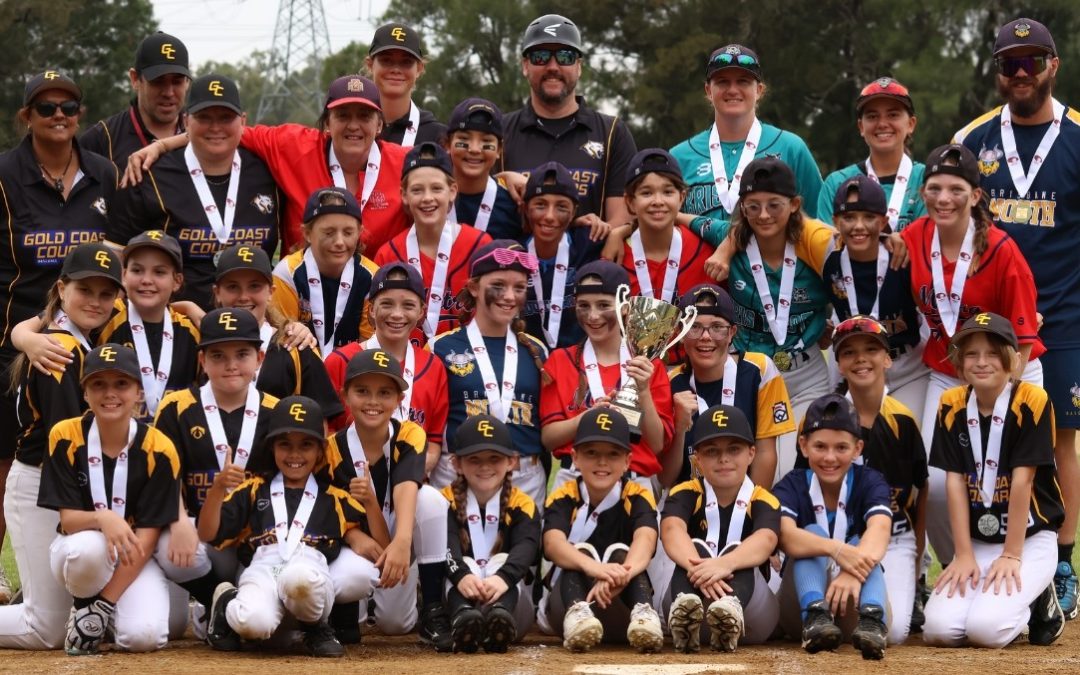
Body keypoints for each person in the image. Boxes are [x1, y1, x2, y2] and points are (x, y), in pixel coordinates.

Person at [953, 16, 1080, 619]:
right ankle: (979, 553)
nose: (1022, 73)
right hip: (984, 328)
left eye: (1033, 61)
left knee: (1059, 442)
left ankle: (1061, 558)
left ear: (1054, 65)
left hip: (1062, 318)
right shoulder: (973, 139)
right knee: (979, 441)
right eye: (1010, 64)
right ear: (998, 72)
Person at [0, 71, 118, 601]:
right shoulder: (5, 172)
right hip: (16, 340)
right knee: (10, 457)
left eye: (68, 106)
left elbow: (123, 250)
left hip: (86, 334)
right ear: (27, 116)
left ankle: (72, 581)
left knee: (81, 445)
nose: (58, 116)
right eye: (45, 108)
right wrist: (22, 336)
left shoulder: (102, 172)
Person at [898, 144, 1044, 565]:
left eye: (956, 189)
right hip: (946, 372)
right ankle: (959, 567)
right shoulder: (913, 238)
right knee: (938, 481)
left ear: (976, 196)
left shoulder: (1001, 250)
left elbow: (1024, 337)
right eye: (935, 188)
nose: (944, 198)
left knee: (1008, 477)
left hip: (1011, 372)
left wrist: (1001, 397)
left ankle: (1034, 571)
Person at [125, 74, 408, 255]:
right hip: (300, 302)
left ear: (380, 124)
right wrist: (162, 144)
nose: (354, 125)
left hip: (376, 301)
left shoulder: (404, 163)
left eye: (365, 116)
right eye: (343, 115)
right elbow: (221, 132)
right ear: (327, 123)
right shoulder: (292, 145)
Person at [0, 242, 122, 649]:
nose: (96, 301)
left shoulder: (75, 336)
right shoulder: (59, 349)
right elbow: (67, 444)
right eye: (85, 290)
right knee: (44, 628)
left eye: (106, 293)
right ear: (62, 289)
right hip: (41, 485)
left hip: (63, 482)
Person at [923, 312, 1065, 647]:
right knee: (938, 631)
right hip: (980, 540)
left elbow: (1022, 482)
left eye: (992, 353)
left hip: (1028, 537)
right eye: (971, 354)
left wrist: (1013, 554)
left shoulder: (1031, 399)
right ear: (959, 362)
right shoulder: (951, 403)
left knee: (986, 631)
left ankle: (1039, 594)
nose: (982, 362)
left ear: (1013, 360)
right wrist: (962, 554)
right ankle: (999, 591)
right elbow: (955, 482)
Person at [200, 396, 380, 657]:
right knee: (255, 626)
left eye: (306, 445)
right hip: (263, 568)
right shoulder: (253, 489)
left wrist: (361, 521)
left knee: (300, 580)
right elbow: (206, 534)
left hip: (309, 566)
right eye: (285, 445)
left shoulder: (334, 497)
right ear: (272, 447)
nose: (295, 455)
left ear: (320, 450)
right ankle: (227, 602)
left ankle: (316, 627)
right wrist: (217, 489)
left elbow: (377, 545)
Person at [39, 344, 180, 655]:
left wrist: (105, 605)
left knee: (145, 637)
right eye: (98, 384)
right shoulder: (65, 435)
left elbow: (148, 534)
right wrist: (104, 517)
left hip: (134, 555)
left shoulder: (160, 448)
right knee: (85, 550)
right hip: (82, 545)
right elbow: (69, 520)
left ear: (139, 393)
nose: (109, 393)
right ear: (85, 393)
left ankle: (101, 614)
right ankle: (81, 604)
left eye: (121, 384)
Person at [702, 157, 836, 479]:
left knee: (797, 471)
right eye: (753, 206)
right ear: (742, 209)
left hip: (806, 376)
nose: (763, 215)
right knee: (755, 475)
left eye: (774, 205)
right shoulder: (730, 237)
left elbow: (849, 248)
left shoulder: (810, 243)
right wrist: (623, 227)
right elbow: (684, 219)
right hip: (753, 377)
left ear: (794, 204)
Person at [795, 317, 927, 644]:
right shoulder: (818, 418)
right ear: (838, 364)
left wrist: (917, 563)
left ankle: (910, 589)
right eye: (849, 352)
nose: (861, 359)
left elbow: (920, 492)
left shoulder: (903, 420)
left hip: (893, 537)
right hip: (833, 534)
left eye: (871, 349)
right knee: (812, 620)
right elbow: (801, 485)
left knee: (893, 632)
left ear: (888, 358)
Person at [151, 307, 280, 640]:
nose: (231, 364)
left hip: (256, 536)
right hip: (198, 533)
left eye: (242, 354)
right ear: (202, 360)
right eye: (218, 355)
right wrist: (178, 519)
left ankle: (222, 608)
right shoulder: (177, 406)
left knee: (271, 629)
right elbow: (164, 475)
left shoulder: (277, 410)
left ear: (260, 357)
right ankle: (215, 600)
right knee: (168, 620)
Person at [109, 74, 281, 309]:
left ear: (243, 121)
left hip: (251, 326)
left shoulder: (268, 172)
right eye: (204, 117)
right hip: (175, 328)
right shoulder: (147, 175)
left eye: (225, 117)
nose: (216, 127)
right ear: (186, 121)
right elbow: (117, 261)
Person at [323, 349, 449, 649]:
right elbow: (330, 512)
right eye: (362, 391)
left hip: (395, 533)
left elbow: (407, 485)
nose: (373, 402)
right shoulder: (330, 449)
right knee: (350, 626)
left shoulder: (409, 433)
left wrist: (402, 541)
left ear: (399, 400)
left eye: (385, 393)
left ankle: (432, 609)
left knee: (430, 499)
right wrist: (354, 535)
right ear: (345, 394)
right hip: (356, 543)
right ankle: (347, 610)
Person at [429, 240, 549, 507]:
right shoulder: (440, 347)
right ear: (473, 287)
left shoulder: (537, 350)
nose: (509, 296)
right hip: (456, 472)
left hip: (524, 477)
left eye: (519, 288)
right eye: (498, 285)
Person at [772, 394, 892, 659]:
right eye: (820, 446)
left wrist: (852, 568)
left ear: (858, 448)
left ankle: (873, 621)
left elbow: (881, 530)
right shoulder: (791, 484)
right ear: (803, 446)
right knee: (812, 534)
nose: (829, 457)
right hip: (799, 614)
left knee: (862, 541)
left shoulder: (870, 480)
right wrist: (837, 551)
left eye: (841, 447)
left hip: (854, 603)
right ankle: (815, 616)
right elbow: (786, 536)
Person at [670, 44, 822, 247]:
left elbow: (819, 222)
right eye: (722, 82)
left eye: (743, 81)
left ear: (759, 90)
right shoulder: (680, 156)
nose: (733, 90)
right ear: (708, 90)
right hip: (698, 275)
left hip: (776, 277)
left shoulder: (791, 147)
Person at [539, 260, 673, 488]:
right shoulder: (561, 361)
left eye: (603, 305)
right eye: (584, 305)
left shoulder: (647, 363)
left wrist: (643, 391)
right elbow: (549, 438)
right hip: (574, 481)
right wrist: (588, 418)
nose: (592, 316)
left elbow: (657, 443)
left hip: (634, 482)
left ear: (625, 307)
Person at [539, 408, 662, 653]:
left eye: (613, 454)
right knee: (579, 552)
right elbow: (553, 544)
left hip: (621, 607)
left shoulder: (637, 494)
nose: (602, 462)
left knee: (622, 553)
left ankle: (644, 615)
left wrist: (619, 574)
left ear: (628, 460)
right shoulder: (564, 494)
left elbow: (646, 541)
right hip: (565, 611)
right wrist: (596, 568)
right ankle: (579, 614)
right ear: (574, 457)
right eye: (592, 453)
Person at [500, 14, 636, 235]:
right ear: (525, 65)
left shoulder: (613, 132)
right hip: (515, 265)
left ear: (579, 66)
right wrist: (498, 180)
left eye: (565, 56)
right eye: (541, 56)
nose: (553, 66)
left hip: (590, 266)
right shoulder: (499, 131)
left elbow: (622, 217)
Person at [661, 404, 780, 652]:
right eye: (712, 451)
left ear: (751, 453)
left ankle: (730, 609)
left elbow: (766, 539)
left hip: (751, 618)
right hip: (692, 605)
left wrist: (726, 563)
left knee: (738, 549)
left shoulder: (763, 498)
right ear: (697, 459)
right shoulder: (685, 492)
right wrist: (704, 568)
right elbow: (671, 530)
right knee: (695, 546)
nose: (723, 459)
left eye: (733, 449)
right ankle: (685, 609)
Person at [664, 284, 795, 490]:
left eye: (717, 327)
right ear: (680, 334)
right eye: (694, 327)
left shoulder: (759, 370)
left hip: (746, 499)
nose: (705, 337)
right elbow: (665, 479)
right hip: (687, 505)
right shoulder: (671, 383)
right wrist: (679, 429)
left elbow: (765, 452)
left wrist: (751, 510)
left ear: (732, 332)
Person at [822, 176, 928, 417]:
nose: (858, 226)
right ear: (836, 221)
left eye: (869, 217)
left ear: (883, 222)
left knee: (910, 438)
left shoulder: (902, 260)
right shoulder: (831, 264)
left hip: (907, 370)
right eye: (849, 218)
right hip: (854, 369)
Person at [324, 263, 449, 456]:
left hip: (410, 482)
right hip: (349, 481)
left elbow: (433, 442)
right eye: (387, 304)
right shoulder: (340, 361)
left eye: (408, 305)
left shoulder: (433, 366)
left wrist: (406, 475)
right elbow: (325, 432)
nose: (397, 314)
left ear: (421, 312)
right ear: (372, 309)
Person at [442, 414, 540, 653]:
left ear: (511, 462)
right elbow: (444, 547)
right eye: (474, 459)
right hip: (459, 596)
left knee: (502, 560)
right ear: (457, 464)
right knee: (465, 563)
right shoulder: (444, 500)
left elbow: (527, 548)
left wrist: (503, 578)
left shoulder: (523, 503)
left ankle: (500, 619)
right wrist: (461, 576)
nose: (485, 467)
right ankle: (464, 618)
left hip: (511, 604)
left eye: (494, 458)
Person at [375, 143, 492, 341]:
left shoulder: (480, 246)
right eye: (417, 190)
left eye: (437, 188)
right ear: (404, 195)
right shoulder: (388, 254)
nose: (427, 198)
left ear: (452, 190)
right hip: (409, 366)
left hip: (469, 363)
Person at [214, 245, 344, 421]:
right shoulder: (202, 343)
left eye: (254, 286)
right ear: (217, 293)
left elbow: (320, 422)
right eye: (232, 287)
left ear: (271, 292)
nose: (244, 296)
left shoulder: (297, 347)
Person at [272, 187, 377, 356]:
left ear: (360, 232)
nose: (340, 242)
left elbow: (369, 347)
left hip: (351, 371)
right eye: (329, 233)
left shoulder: (371, 277)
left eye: (348, 232)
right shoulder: (287, 274)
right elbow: (283, 342)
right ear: (307, 233)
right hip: (302, 367)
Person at [818, 77, 926, 231]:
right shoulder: (836, 184)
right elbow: (827, 249)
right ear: (861, 127)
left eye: (893, 115)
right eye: (872, 116)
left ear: (910, 124)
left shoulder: (928, 180)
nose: (882, 124)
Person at [520, 161, 606, 349]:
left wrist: (619, 232)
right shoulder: (512, 252)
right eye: (540, 205)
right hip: (526, 360)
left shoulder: (590, 242)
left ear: (574, 212)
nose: (550, 216)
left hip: (580, 363)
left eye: (561, 207)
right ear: (526, 208)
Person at [80, 32, 190, 171]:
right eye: (157, 81)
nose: (168, 92)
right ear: (135, 79)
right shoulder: (101, 140)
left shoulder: (206, 137)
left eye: (177, 82)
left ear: (187, 82)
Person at [619, 149, 715, 304]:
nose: (658, 201)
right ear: (630, 201)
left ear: (681, 197)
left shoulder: (706, 255)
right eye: (646, 193)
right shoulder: (615, 256)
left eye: (668, 192)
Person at [444, 98, 522, 241]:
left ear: (499, 149)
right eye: (464, 138)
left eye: (486, 141)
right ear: (448, 144)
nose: (474, 149)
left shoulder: (513, 206)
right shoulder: (432, 198)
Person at [366, 22, 446, 147]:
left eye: (406, 62)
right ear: (370, 65)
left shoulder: (439, 137)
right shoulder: (354, 130)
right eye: (386, 60)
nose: (396, 69)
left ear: (419, 68)